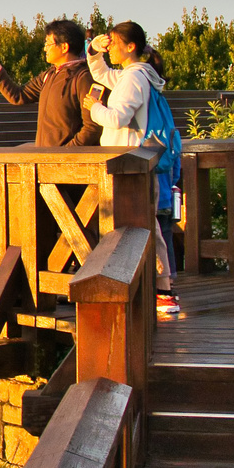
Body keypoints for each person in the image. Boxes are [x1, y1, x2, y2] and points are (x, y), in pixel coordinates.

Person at [83, 21, 178, 312]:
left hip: (131, 160)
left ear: (130, 46)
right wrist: (94, 51)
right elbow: (101, 73)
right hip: (131, 159)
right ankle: (153, 286)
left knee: (144, 225)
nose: (110, 49)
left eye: (113, 44)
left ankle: (163, 290)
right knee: (139, 224)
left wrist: (93, 107)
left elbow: (117, 118)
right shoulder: (135, 75)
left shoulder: (134, 78)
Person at [0, 20, 102, 147]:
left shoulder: (84, 78)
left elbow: (93, 127)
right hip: (46, 160)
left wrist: (66, 152)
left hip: (68, 163)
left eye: (48, 44)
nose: (44, 48)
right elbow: (18, 96)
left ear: (64, 47)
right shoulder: (48, 75)